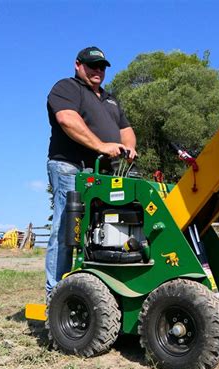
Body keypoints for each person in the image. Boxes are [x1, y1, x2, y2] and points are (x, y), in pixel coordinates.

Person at [45, 46, 137, 298]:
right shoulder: (66, 88)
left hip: (103, 172)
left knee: (103, 227)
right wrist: (101, 145)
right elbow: (67, 119)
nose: (98, 70)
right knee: (66, 228)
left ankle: (95, 290)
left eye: (102, 67)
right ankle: (56, 295)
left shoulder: (110, 99)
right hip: (69, 166)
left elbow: (126, 129)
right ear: (78, 65)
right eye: (92, 65)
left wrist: (128, 149)